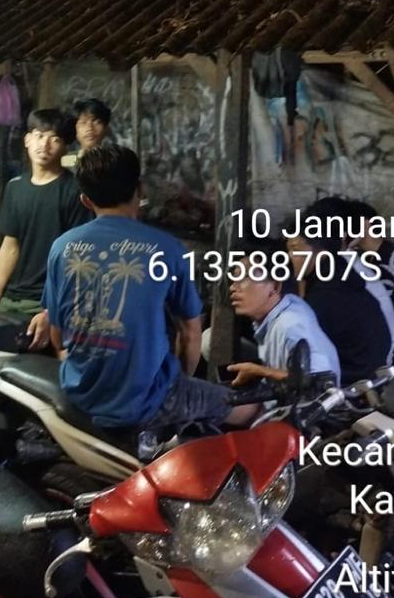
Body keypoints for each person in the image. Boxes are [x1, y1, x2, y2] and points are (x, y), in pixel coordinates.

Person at [43, 143, 258, 439]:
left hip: (79, 395)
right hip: (147, 402)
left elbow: (58, 337)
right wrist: (178, 385)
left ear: (85, 200)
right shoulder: (167, 248)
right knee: (248, 408)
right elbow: (191, 334)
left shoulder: (62, 248)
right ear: (140, 190)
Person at [0, 109, 91, 327]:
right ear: (27, 140)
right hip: (11, 300)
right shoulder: (15, 188)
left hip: (48, 303)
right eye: (39, 135)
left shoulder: (75, 191)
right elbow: (10, 247)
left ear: (65, 148)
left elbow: (79, 256)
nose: (44, 145)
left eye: (54, 139)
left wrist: (52, 310)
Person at [286, 197, 393, 384]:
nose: (289, 257)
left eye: (295, 249)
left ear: (320, 250)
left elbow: (309, 357)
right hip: (373, 373)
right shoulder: (340, 272)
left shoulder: (327, 292)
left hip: (352, 383)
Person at [225, 272, 341, 386]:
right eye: (235, 277)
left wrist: (261, 371)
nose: (232, 288)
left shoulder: (290, 324)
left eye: (244, 277)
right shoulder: (283, 307)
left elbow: (323, 381)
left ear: (275, 286)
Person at [61, 97, 112, 169]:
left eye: (96, 122)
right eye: (83, 122)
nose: (89, 128)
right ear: (75, 129)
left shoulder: (116, 160)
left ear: (106, 128)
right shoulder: (65, 162)